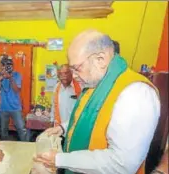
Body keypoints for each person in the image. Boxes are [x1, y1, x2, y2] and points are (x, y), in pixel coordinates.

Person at [34, 30, 160, 174]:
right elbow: (87, 118)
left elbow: (120, 164)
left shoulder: (135, 93)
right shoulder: (95, 84)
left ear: (100, 59)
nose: (73, 76)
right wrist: (63, 128)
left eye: (77, 68)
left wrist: (60, 160)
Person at [0, 54, 27, 141]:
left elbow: (17, 90)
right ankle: (4, 147)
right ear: (2, 66)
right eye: (5, 65)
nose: (8, 67)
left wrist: (10, 78)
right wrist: (0, 80)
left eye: (10, 65)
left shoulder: (17, 75)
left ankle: (26, 145)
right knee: (3, 130)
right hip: (2, 108)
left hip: (15, 107)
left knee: (21, 128)